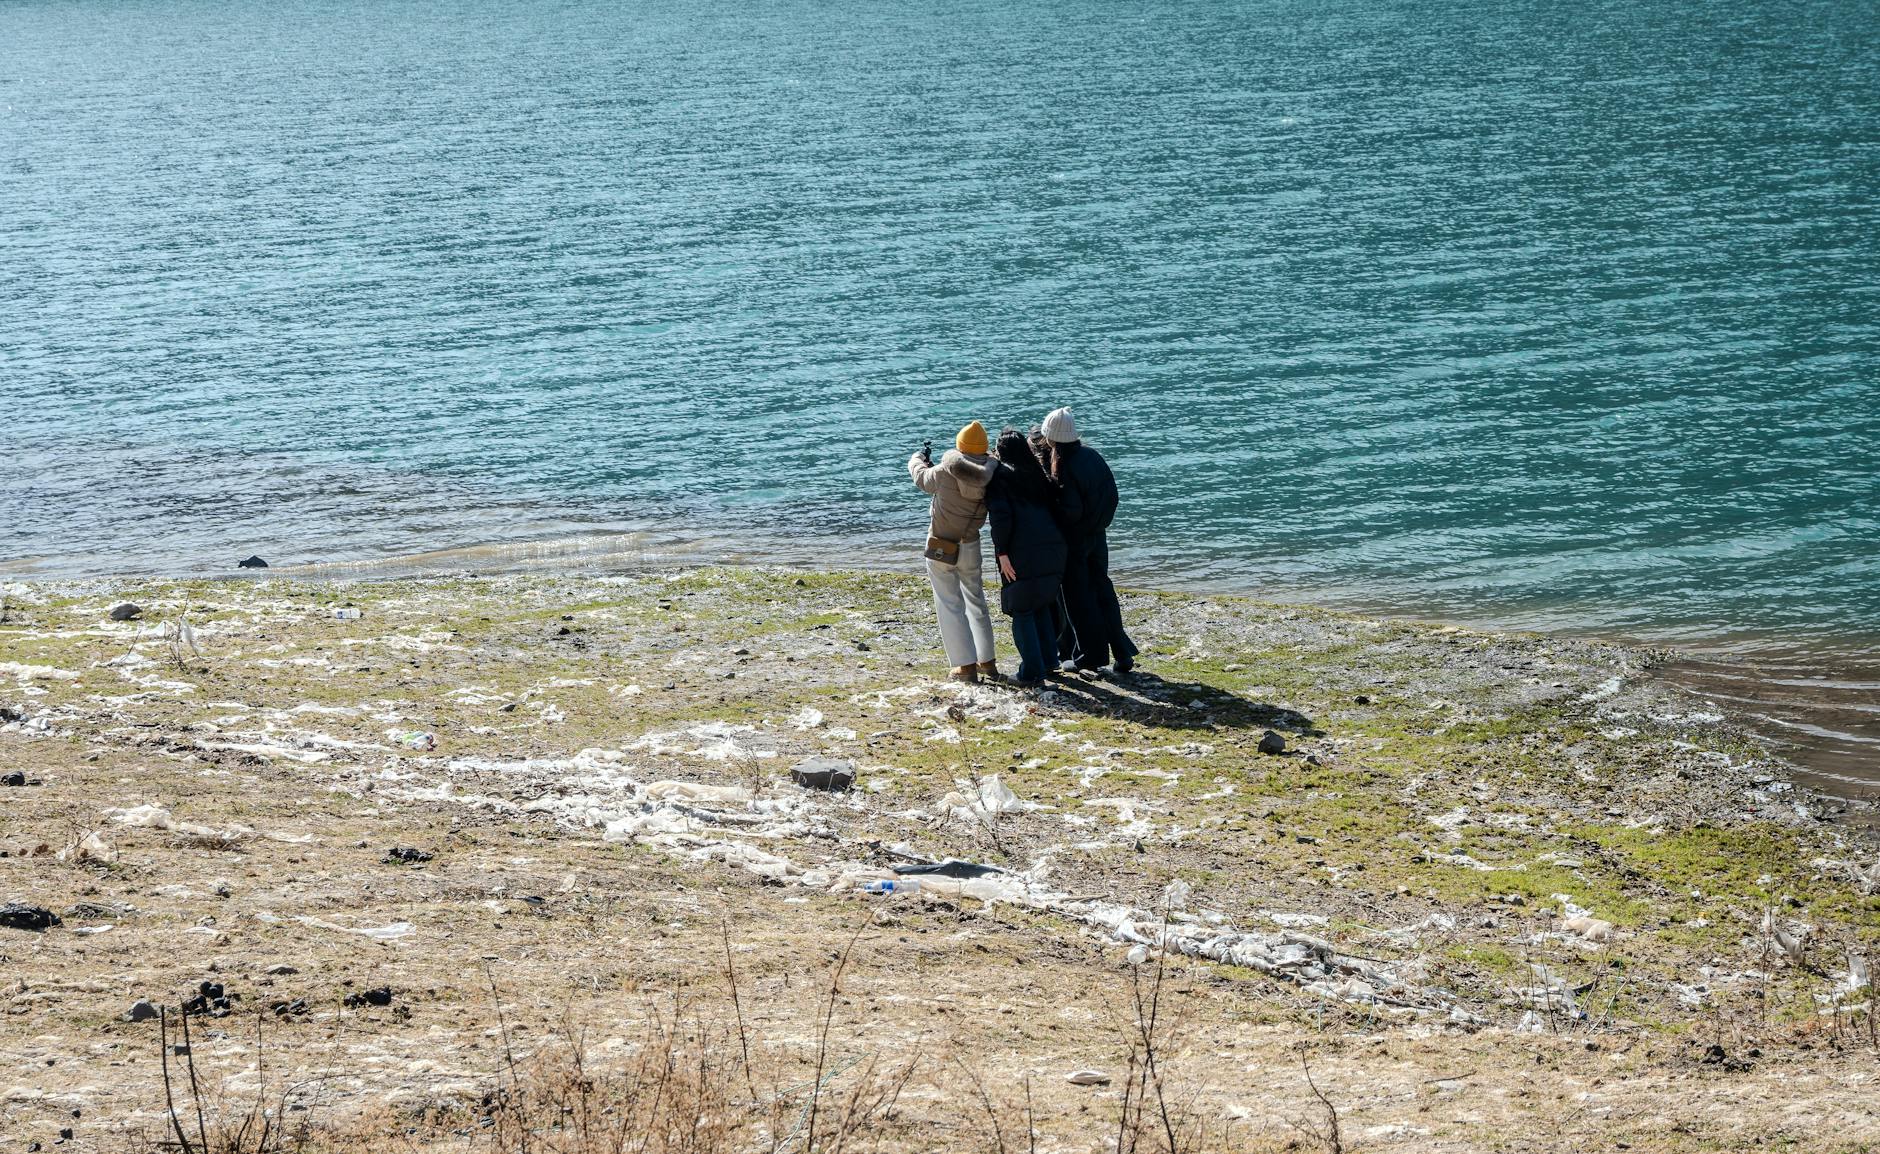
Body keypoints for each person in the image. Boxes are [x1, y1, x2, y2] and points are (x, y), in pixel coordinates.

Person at [1041, 406, 1138, 674]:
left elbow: (1071, 510)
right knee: (1103, 592)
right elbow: (1112, 497)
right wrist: (1097, 525)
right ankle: (1122, 653)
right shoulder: (1092, 456)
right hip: (1098, 537)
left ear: (1051, 438)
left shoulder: (1064, 465)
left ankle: (1088, 656)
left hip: (1077, 541)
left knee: (1078, 599)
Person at [908, 420, 999, 683]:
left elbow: (921, 479)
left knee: (949, 603)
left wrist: (917, 458)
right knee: (977, 601)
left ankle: (964, 666)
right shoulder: (993, 473)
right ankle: (987, 661)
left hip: (941, 545)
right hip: (971, 543)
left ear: (960, 447)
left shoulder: (946, 470)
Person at [986, 429, 1069, 685]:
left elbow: (1002, 519)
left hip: (1022, 552)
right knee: (1041, 603)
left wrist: (1002, 553)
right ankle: (1049, 661)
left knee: (1022, 609)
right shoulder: (1039, 474)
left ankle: (1031, 672)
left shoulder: (1000, 478)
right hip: (1055, 549)